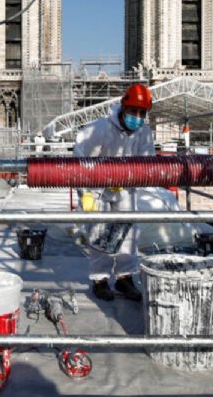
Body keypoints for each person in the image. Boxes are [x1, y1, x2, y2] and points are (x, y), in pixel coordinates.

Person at [73, 83, 154, 301]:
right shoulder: (100, 129)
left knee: (129, 234)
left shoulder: (144, 133)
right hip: (97, 189)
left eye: (141, 113)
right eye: (133, 111)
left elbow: (147, 163)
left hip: (125, 189)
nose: (136, 117)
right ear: (123, 108)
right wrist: (86, 193)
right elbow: (80, 159)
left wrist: (128, 177)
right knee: (100, 235)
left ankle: (124, 278)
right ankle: (100, 280)